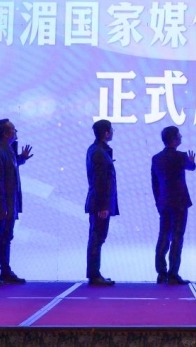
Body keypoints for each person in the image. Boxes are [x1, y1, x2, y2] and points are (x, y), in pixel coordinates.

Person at [0, 119, 33, 286]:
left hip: (10, 204)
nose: (16, 132)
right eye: (13, 129)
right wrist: (0, 206)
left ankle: (5, 271)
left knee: (6, 237)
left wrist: (22, 158)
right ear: (5, 133)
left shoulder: (7, 149)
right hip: (2, 206)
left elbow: (11, 166)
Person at [151, 126, 196, 285]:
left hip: (164, 203)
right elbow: (192, 167)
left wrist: (158, 202)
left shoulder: (156, 158)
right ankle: (173, 274)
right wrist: (191, 161)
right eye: (179, 135)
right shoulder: (181, 156)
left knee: (163, 236)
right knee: (177, 238)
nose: (181, 137)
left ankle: (161, 272)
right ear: (174, 139)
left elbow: (154, 183)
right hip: (179, 203)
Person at [84, 119, 118, 286]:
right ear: (106, 133)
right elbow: (100, 180)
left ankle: (94, 273)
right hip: (99, 203)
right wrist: (103, 206)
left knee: (97, 238)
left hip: (99, 202)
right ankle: (94, 274)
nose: (112, 132)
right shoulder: (98, 152)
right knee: (97, 238)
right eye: (111, 129)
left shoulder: (98, 150)